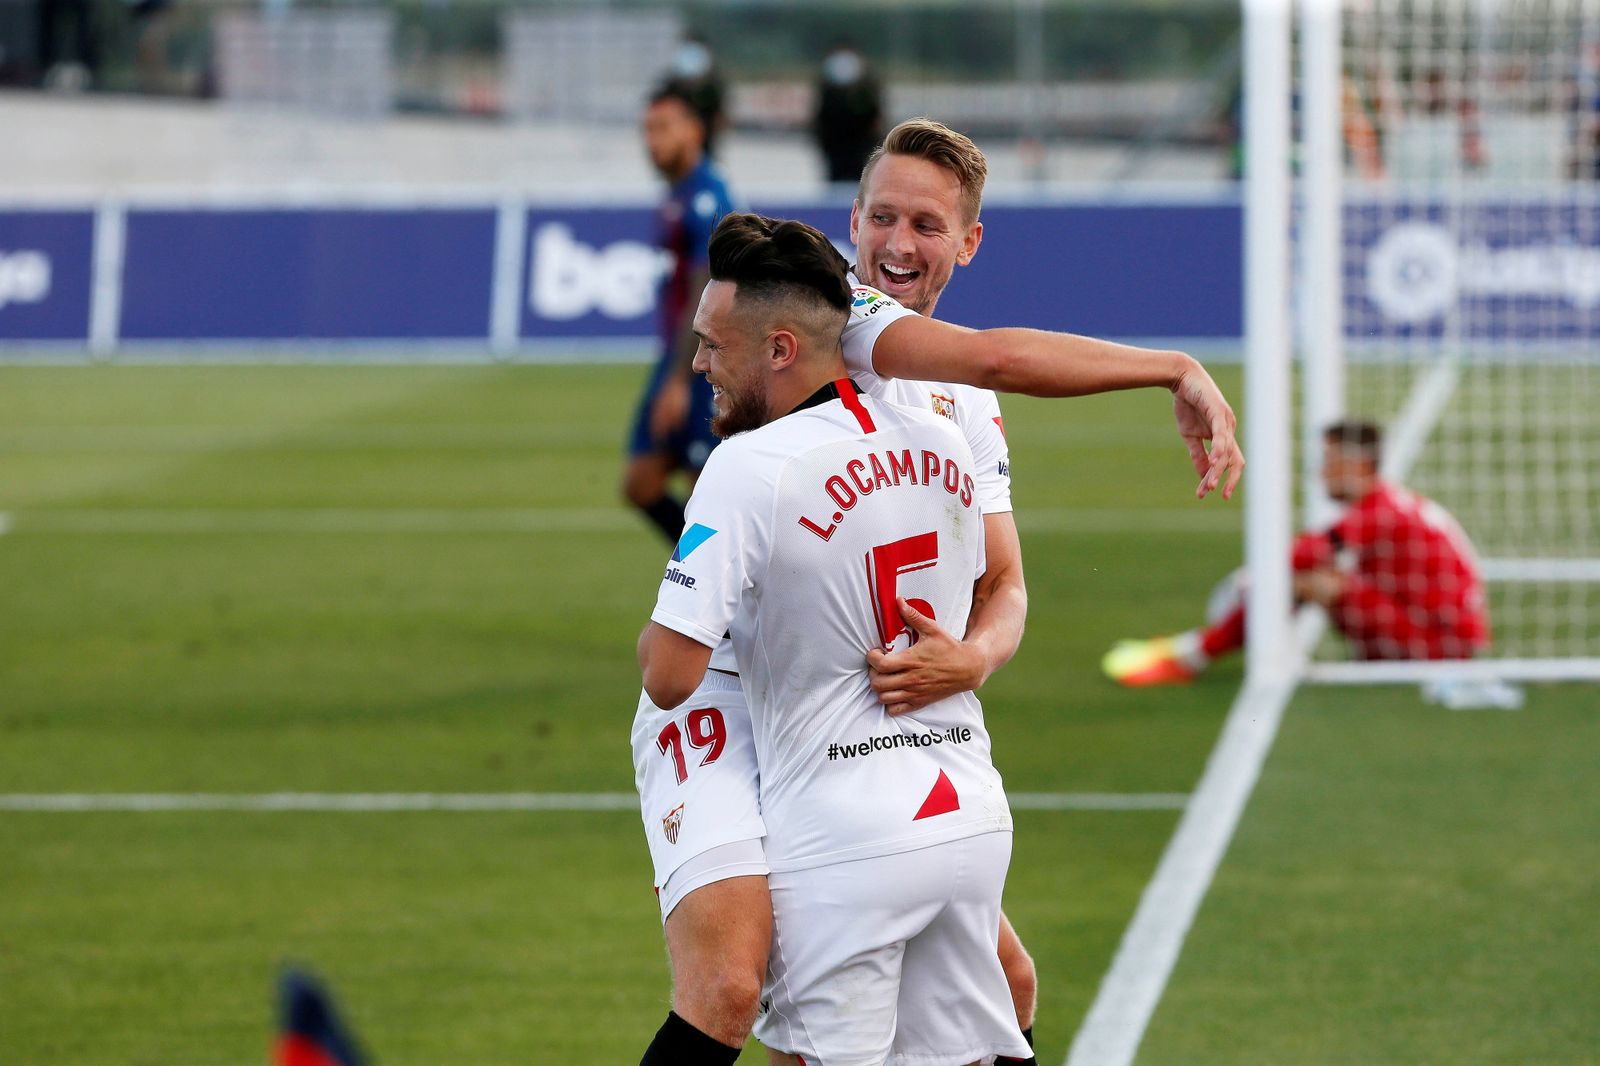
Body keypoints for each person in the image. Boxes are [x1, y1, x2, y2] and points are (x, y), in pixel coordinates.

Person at [639, 213, 1032, 1066]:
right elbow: (992, 581)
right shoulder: (943, 434)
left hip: (836, 809)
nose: (700, 362)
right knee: (735, 988)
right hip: (959, 797)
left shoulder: (749, 466)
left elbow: (669, 674)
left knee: (756, 1012)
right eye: (879, 216)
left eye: (712, 345)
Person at [1103, 420, 1488, 685]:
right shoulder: (1389, 506)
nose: (1321, 473)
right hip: (1442, 635)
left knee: (1313, 582)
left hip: (1441, 650)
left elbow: (1306, 555)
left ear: (1359, 465)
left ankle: (1192, 656)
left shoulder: (1380, 513)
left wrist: (1255, 579)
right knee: (1319, 580)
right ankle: (1193, 649)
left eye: (1330, 462)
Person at [623, 82, 736, 544]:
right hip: (676, 358)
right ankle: (698, 578)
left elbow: (705, 290)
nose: (652, 140)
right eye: (647, 129)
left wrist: (678, 381)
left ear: (694, 130)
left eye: (663, 128)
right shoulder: (679, 194)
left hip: (700, 364)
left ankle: (721, 600)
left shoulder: (708, 197)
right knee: (641, 484)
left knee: (705, 496)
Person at [813, 42, 884, 184]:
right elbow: (821, 119)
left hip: (860, 149)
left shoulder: (866, 90)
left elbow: (873, 117)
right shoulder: (828, 91)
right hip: (834, 148)